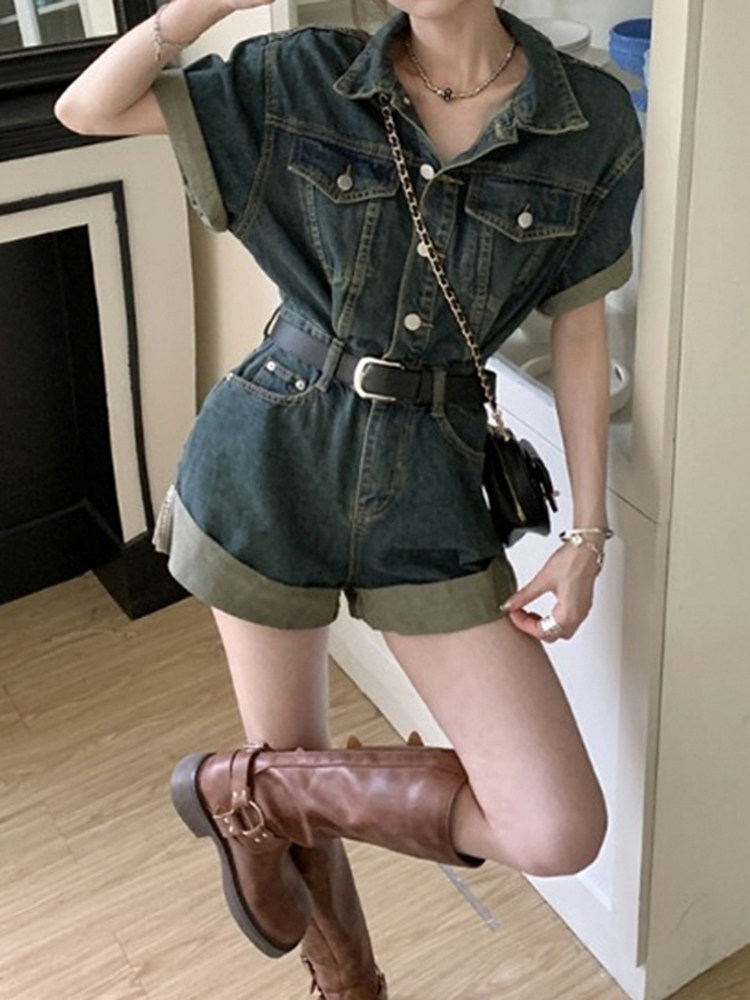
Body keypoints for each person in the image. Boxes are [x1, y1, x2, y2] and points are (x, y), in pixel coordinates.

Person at [55, 0, 643, 996]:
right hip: (271, 459)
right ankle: (348, 982)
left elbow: (581, 328)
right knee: (295, 768)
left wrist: (587, 533)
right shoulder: (302, 77)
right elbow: (88, 109)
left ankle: (243, 796)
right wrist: (203, 7)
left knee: (556, 824)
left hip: (431, 483)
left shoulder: (589, 119)